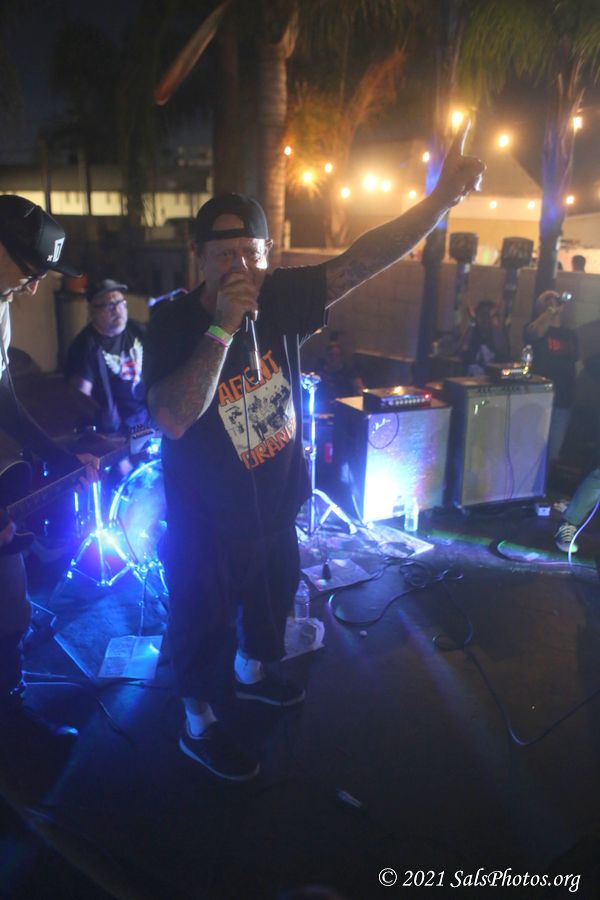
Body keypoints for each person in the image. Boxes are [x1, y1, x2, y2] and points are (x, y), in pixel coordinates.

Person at [143, 123, 484, 782]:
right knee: (201, 623)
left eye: (250, 252)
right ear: (198, 258)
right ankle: (199, 723)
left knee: (271, 602)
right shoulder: (172, 322)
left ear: (267, 255)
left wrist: (439, 200)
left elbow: (366, 257)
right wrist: (222, 327)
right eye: (223, 253)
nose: (239, 267)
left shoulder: (281, 298)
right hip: (205, 520)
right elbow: (173, 417)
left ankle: (252, 673)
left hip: (274, 503)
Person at [0, 195, 98, 748]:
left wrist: (60, 458)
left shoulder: (1, 302)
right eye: (30, 272)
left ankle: (10, 716)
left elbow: (3, 397)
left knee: (11, 609)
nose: (34, 288)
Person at [65, 278, 148, 435]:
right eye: (109, 305)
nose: (117, 310)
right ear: (92, 311)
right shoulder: (85, 346)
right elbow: (79, 393)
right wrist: (101, 416)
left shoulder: (136, 329)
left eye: (120, 303)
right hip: (116, 429)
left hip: (146, 416)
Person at [524, 290, 578, 464]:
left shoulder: (570, 334)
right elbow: (535, 334)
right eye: (548, 300)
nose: (554, 302)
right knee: (532, 448)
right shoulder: (534, 328)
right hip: (539, 398)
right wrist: (549, 312)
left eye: (555, 300)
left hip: (562, 401)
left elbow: (573, 363)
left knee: (552, 453)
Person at [460, 299, 510, 376]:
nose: (485, 318)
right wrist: (472, 324)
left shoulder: (498, 334)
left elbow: (503, 353)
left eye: (488, 315)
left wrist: (495, 326)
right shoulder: (473, 331)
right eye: (482, 315)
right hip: (470, 377)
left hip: (491, 377)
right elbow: (463, 353)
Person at [314, 337, 365, 413]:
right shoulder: (319, 372)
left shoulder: (349, 371)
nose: (333, 358)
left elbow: (359, 389)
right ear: (326, 356)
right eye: (330, 355)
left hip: (344, 407)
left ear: (341, 356)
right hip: (323, 408)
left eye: (336, 355)